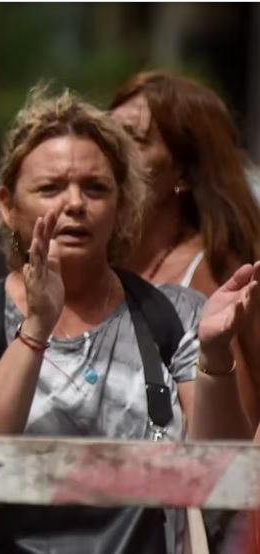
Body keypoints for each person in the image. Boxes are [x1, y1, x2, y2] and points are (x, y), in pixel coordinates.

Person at [0, 85, 256, 554]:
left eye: (95, 188)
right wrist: (35, 329)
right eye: (50, 188)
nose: (74, 204)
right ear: (9, 206)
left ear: (122, 206)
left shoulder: (175, 315)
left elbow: (226, 473)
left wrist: (216, 355)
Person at [109, 71, 260, 432]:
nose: (110, 155)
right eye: (107, 136)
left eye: (134, 141)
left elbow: (232, 435)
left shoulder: (216, 274)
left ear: (183, 174)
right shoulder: (93, 264)